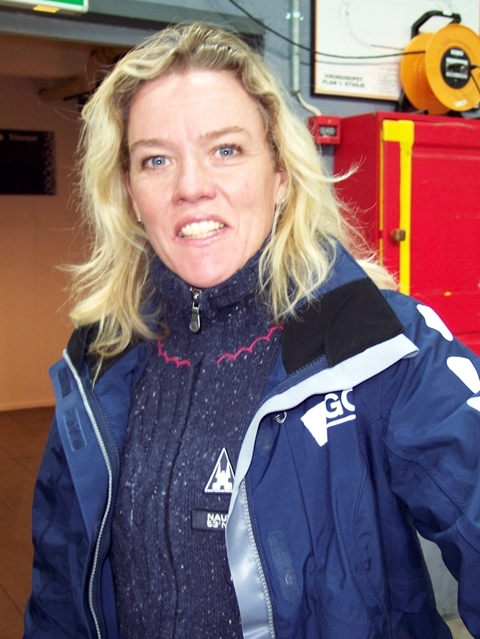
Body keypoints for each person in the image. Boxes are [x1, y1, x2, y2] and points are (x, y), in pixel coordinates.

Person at [23, 21, 480, 639]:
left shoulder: (381, 344)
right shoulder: (98, 364)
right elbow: (58, 595)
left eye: (226, 150)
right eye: (156, 159)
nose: (191, 187)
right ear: (129, 192)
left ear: (281, 174)